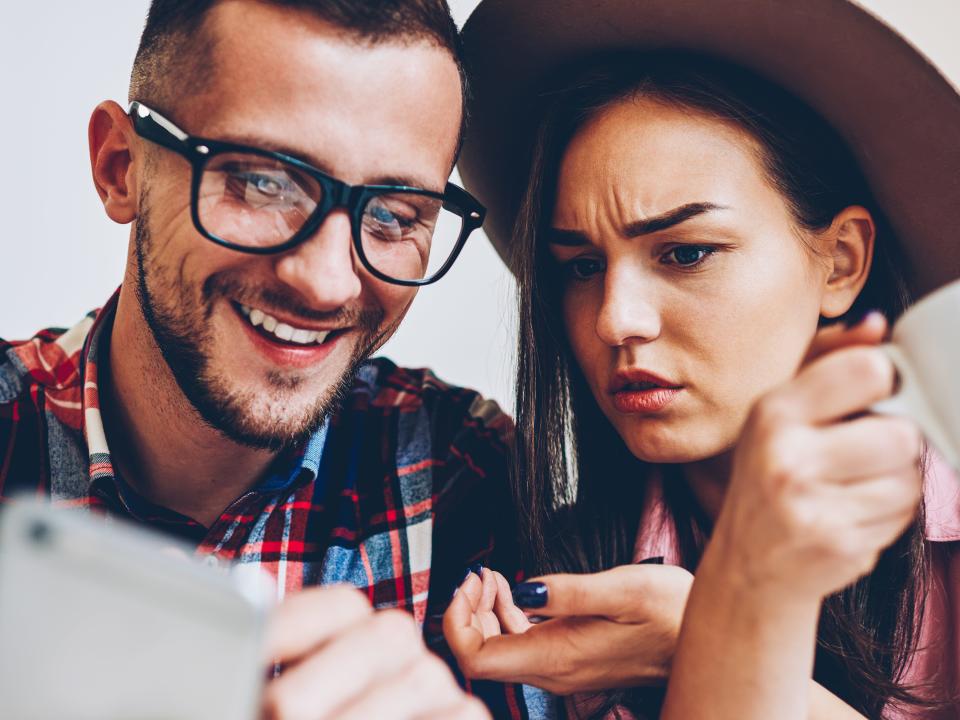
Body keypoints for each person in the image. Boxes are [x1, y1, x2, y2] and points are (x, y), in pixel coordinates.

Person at [0, 1, 520, 717]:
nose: (327, 280)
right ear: (121, 168)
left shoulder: (477, 479)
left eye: (394, 217)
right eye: (264, 183)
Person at [445, 0, 960, 718]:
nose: (615, 318)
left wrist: (716, 637)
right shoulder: (563, 575)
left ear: (841, 262)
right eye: (582, 267)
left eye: (687, 253)